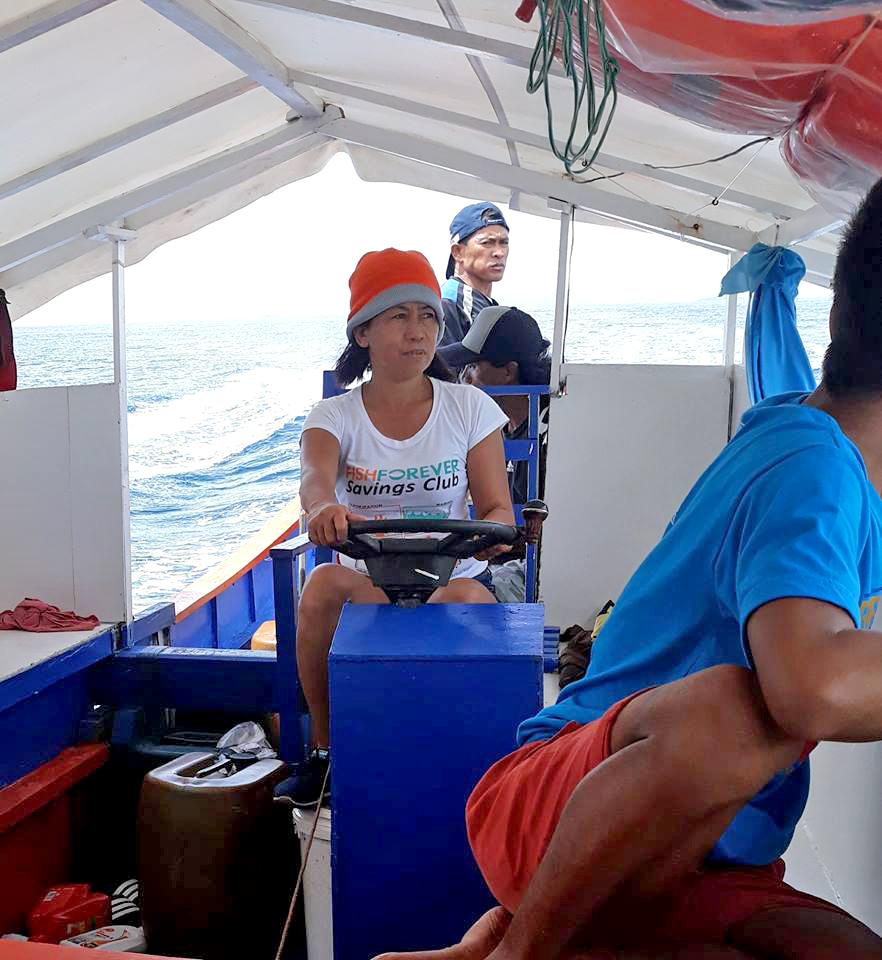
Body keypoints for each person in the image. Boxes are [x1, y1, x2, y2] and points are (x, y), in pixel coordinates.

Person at [376, 182, 882, 958]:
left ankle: (504, 937)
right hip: (558, 796)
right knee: (741, 711)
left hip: (706, 853)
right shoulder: (811, 467)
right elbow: (811, 688)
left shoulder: (816, 451)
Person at [284, 248, 515, 807]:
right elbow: (315, 480)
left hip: (447, 577)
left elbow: (496, 509)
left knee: (467, 599)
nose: (418, 332)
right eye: (399, 317)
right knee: (320, 588)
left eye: (428, 316)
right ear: (362, 333)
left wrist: (491, 534)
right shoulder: (333, 416)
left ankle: (473, 758)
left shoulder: (470, 407)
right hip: (368, 581)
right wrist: (322, 512)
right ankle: (326, 750)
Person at [440, 306, 550, 602]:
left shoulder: (549, 438)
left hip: (539, 571)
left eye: (472, 367)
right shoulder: (505, 426)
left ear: (507, 371)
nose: (464, 379)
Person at [440, 202, 510, 346]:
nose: (499, 252)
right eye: (487, 243)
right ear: (458, 252)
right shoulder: (449, 303)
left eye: (504, 243)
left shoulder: (482, 303)